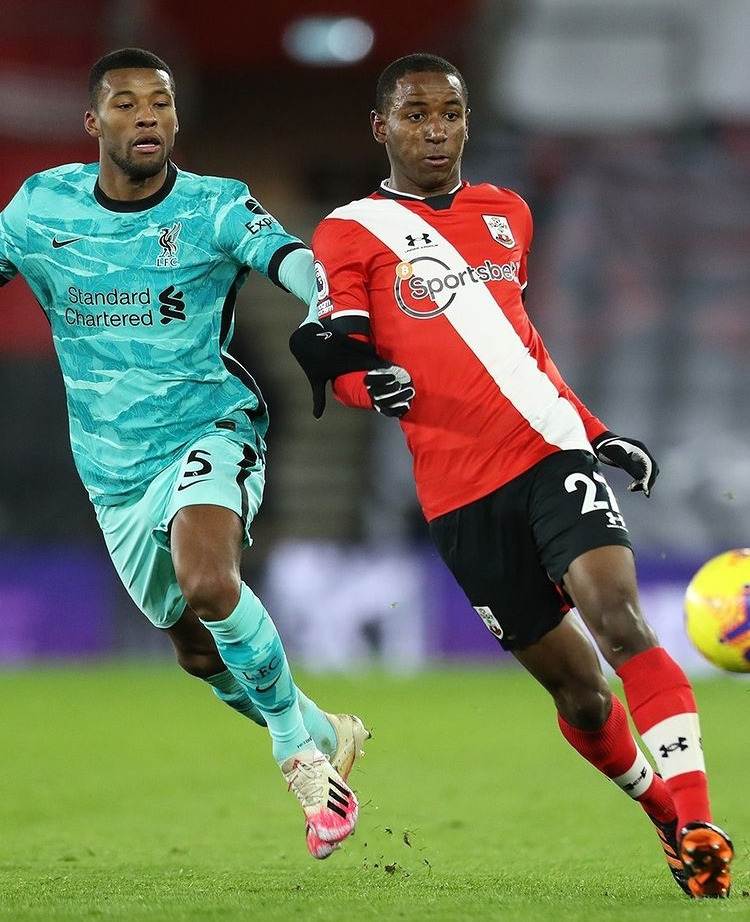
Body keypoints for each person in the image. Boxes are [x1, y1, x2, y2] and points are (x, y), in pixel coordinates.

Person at [291, 53, 734, 896]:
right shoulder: (349, 231)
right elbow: (343, 360)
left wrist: (596, 432)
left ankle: (699, 820)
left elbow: (516, 346)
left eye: (451, 114)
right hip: (459, 496)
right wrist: (365, 385)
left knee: (620, 620)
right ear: (381, 127)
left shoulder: (507, 213)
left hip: (548, 454)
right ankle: (666, 819)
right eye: (416, 115)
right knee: (581, 694)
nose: (437, 131)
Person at [0, 47, 369, 861]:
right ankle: (324, 729)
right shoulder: (41, 208)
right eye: (127, 103)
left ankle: (299, 760)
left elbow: (290, 257)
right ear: (93, 121)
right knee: (200, 653)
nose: (147, 117)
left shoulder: (213, 206)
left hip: (211, 427)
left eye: (160, 103)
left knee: (209, 581)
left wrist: (330, 305)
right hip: (111, 469)